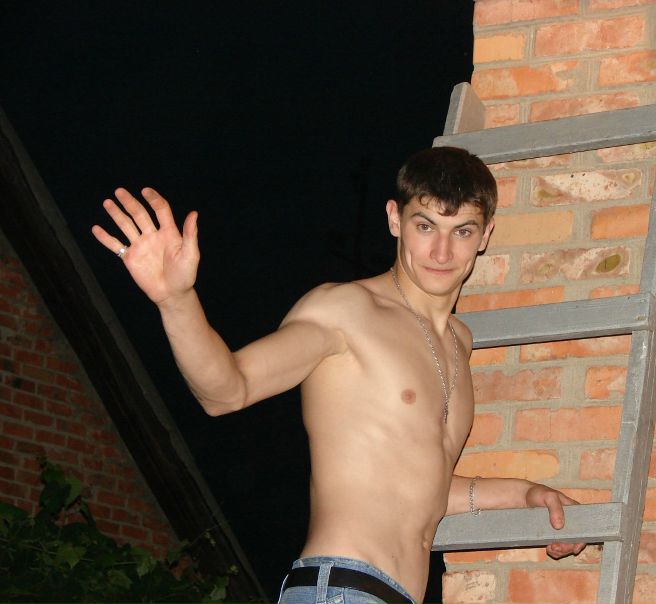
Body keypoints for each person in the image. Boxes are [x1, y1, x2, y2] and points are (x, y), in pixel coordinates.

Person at [92, 147, 585, 604]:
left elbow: (423, 486)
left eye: (462, 231)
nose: (441, 252)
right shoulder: (347, 310)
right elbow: (227, 389)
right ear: (394, 219)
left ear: (486, 235)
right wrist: (176, 300)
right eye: (425, 225)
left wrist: (527, 494)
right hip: (342, 587)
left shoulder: (459, 341)